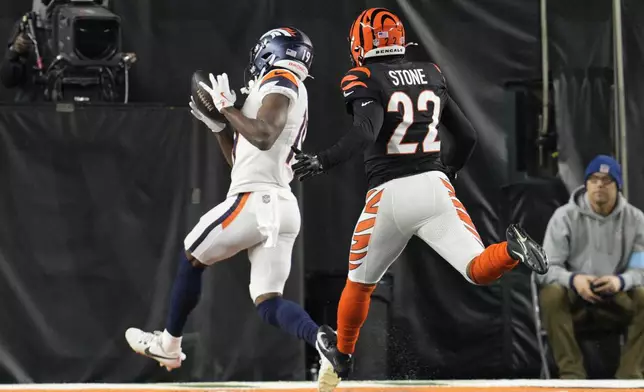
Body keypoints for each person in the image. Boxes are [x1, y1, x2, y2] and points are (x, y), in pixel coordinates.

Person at [290, 8, 549, 390]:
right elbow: (468, 136)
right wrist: (451, 171)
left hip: (390, 195)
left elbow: (366, 130)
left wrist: (323, 159)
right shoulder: (430, 73)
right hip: (434, 185)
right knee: (477, 267)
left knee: (359, 285)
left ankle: (342, 356)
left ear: (360, 46)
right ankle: (511, 250)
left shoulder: (363, 76)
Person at [125, 27, 321, 371]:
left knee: (192, 252)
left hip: (258, 200)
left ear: (270, 52)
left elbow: (262, 136)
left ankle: (168, 345)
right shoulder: (285, 88)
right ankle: (321, 339)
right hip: (281, 205)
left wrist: (228, 108)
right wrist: (220, 127)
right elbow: (243, 159)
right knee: (268, 301)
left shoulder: (280, 79)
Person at [537, 155, 644, 379]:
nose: (599, 185)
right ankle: (572, 375)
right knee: (551, 294)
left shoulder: (635, 220)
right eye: (594, 179)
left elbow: (640, 268)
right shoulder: (564, 218)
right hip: (576, 298)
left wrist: (620, 281)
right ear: (585, 184)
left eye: (606, 180)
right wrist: (573, 280)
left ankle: (629, 377)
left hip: (617, 295)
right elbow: (546, 267)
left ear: (618, 186)